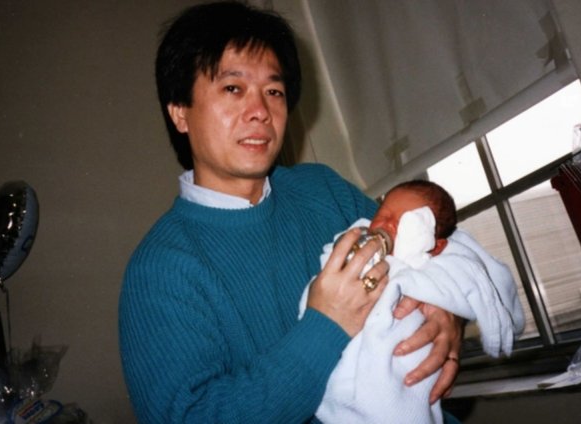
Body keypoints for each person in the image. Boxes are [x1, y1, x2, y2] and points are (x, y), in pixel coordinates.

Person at [118, 2, 466, 423]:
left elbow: (433, 251)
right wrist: (327, 324)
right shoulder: (160, 268)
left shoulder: (323, 188)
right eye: (233, 88)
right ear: (180, 112)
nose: (261, 111)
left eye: (274, 91)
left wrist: (446, 311)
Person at [300, 180, 524, 424]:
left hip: (399, 368)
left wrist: (449, 313)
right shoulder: (358, 244)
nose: (386, 224)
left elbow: (462, 278)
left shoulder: (430, 266)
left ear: (434, 246)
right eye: (382, 214)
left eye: (403, 223)